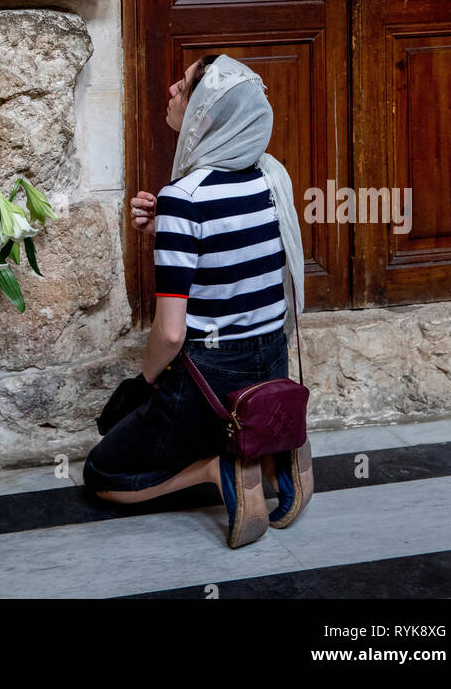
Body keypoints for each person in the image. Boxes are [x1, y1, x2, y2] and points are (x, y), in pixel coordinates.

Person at [82, 53, 314, 548]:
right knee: (186, 430)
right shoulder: (270, 179)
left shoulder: (185, 197)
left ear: (205, 114)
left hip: (212, 379)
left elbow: (171, 332)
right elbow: (233, 266)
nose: (170, 89)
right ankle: (270, 457)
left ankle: (217, 471)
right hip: (269, 366)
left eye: (184, 87)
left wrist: (141, 385)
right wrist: (164, 232)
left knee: (102, 471)